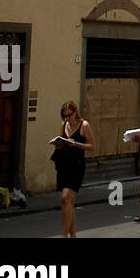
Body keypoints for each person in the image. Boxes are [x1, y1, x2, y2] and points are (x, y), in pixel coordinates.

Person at [52, 100, 93, 238]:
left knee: (65, 197)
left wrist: (76, 144)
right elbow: (61, 141)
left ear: (75, 112)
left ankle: (64, 235)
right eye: (64, 116)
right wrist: (59, 144)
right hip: (64, 164)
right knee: (68, 201)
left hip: (77, 165)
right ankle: (73, 234)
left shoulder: (84, 125)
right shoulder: (63, 125)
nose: (67, 118)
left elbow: (91, 145)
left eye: (69, 115)